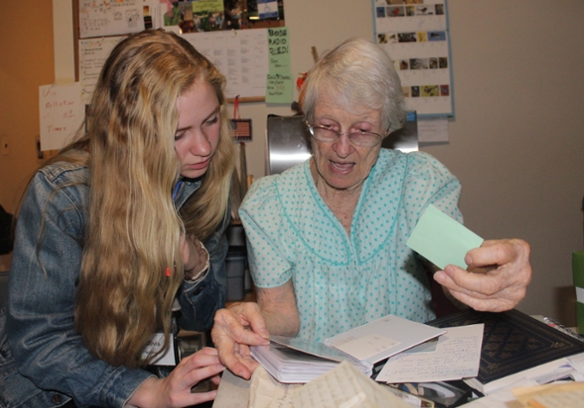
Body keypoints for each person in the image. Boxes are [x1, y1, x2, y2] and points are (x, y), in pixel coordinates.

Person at [211, 38, 533, 380]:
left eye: (362, 131)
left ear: (387, 128)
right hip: (317, 384)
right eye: (327, 127)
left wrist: (495, 276)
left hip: (409, 380)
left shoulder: (417, 184)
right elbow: (282, 316)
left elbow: (462, 272)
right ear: (308, 121)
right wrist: (248, 319)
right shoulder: (270, 204)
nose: (342, 149)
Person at [0, 29, 235, 408]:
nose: (204, 146)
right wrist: (147, 391)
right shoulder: (64, 195)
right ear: (132, 136)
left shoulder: (205, 184)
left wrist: (195, 264)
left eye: (210, 121)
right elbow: (39, 341)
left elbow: (205, 316)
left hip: (126, 371)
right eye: (178, 134)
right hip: (33, 393)